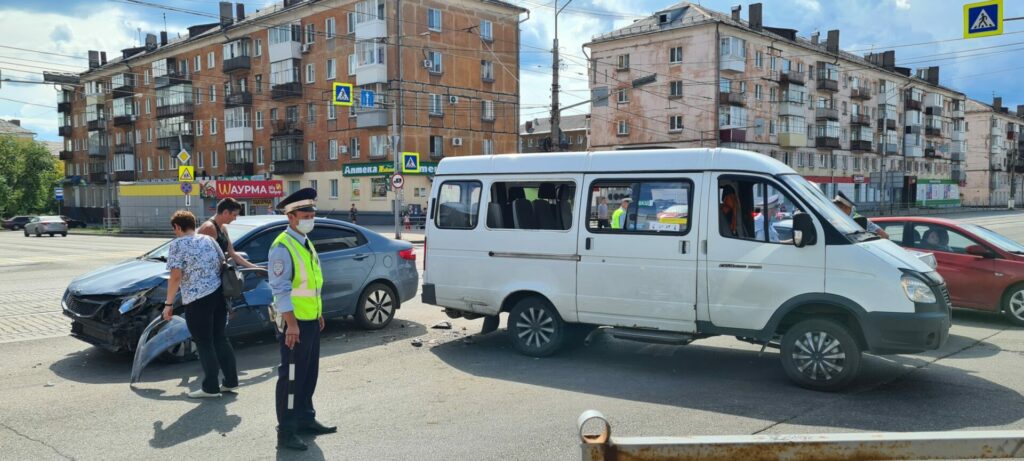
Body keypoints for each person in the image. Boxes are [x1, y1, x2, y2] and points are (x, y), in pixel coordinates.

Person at [268, 188, 336, 451]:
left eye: (312, 214)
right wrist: (292, 324)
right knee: (291, 377)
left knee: (308, 374)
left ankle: (306, 419)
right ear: (291, 217)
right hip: (293, 324)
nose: (310, 219)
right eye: (305, 215)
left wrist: (318, 313)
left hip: (309, 320)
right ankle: (286, 431)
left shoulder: (305, 241)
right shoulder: (282, 246)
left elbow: (312, 283)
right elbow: (281, 289)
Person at [161, 210, 238, 399]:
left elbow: (176, 277)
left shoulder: (177, 245)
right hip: (219, 296)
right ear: (194, 224)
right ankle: (230, 381)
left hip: (197, 300)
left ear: (177, 227)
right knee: (220, 338)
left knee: (204, 342)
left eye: (174, 230)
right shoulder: (209, 240)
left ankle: (211, 387)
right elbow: (223, 262)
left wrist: (168, 304)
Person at [198, 198, 261, 270]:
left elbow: (232, 253)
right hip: (209, 277)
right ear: (225, 212)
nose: (235, 219)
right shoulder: (209, 228)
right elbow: (202, 258)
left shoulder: (223, 227)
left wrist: (255, 267)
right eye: (234, 215)